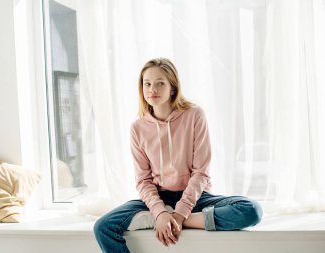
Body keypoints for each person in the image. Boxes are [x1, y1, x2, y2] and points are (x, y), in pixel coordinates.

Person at [94, 58, 262, 253]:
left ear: (172, 88)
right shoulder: (137, 128)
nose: (152, 89)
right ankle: (161, 215)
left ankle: (178, 218)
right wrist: (159, 212)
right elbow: (143, 180)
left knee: (252, 210)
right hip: (158, 198)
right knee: (103, 227)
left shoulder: (194, 115)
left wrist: (179, 216)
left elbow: (201, 172)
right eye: (147, 84)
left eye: (160, 83)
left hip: (196, 198)